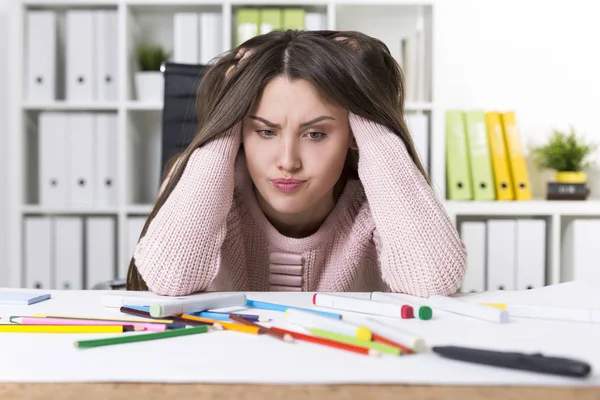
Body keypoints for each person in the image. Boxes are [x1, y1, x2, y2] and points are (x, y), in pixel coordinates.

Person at [126, 29, 467, 297]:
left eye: (316, 134)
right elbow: (168, 279)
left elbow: (433, 279)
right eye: (265, 131)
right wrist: (225, 119)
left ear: (352, 133)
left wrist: (365, 105)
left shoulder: (381, 201)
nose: (287, 162)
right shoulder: (202, 186)